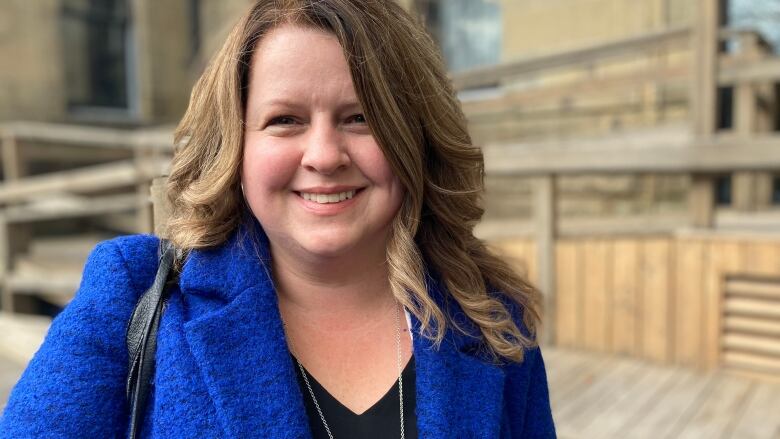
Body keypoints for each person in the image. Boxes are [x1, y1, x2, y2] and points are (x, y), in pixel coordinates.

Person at [0, 1, 556, 437]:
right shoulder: (134, 293)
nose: (323, 154)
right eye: (285, 119)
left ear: (415, 139)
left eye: (360, 117)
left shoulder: (491, 322)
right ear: (235, 148)